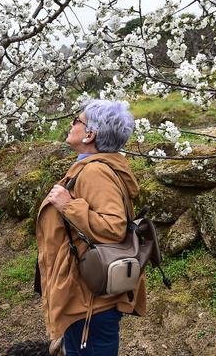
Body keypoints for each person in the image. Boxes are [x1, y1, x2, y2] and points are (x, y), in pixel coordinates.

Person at [36, 100, 146, 356]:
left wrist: (68, 206)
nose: (72, 123)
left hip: (89, 301)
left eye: (77, 120)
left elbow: (114, 226)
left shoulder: (95, 171)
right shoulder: (91, 166)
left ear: (90, 134)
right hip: (85, 296)